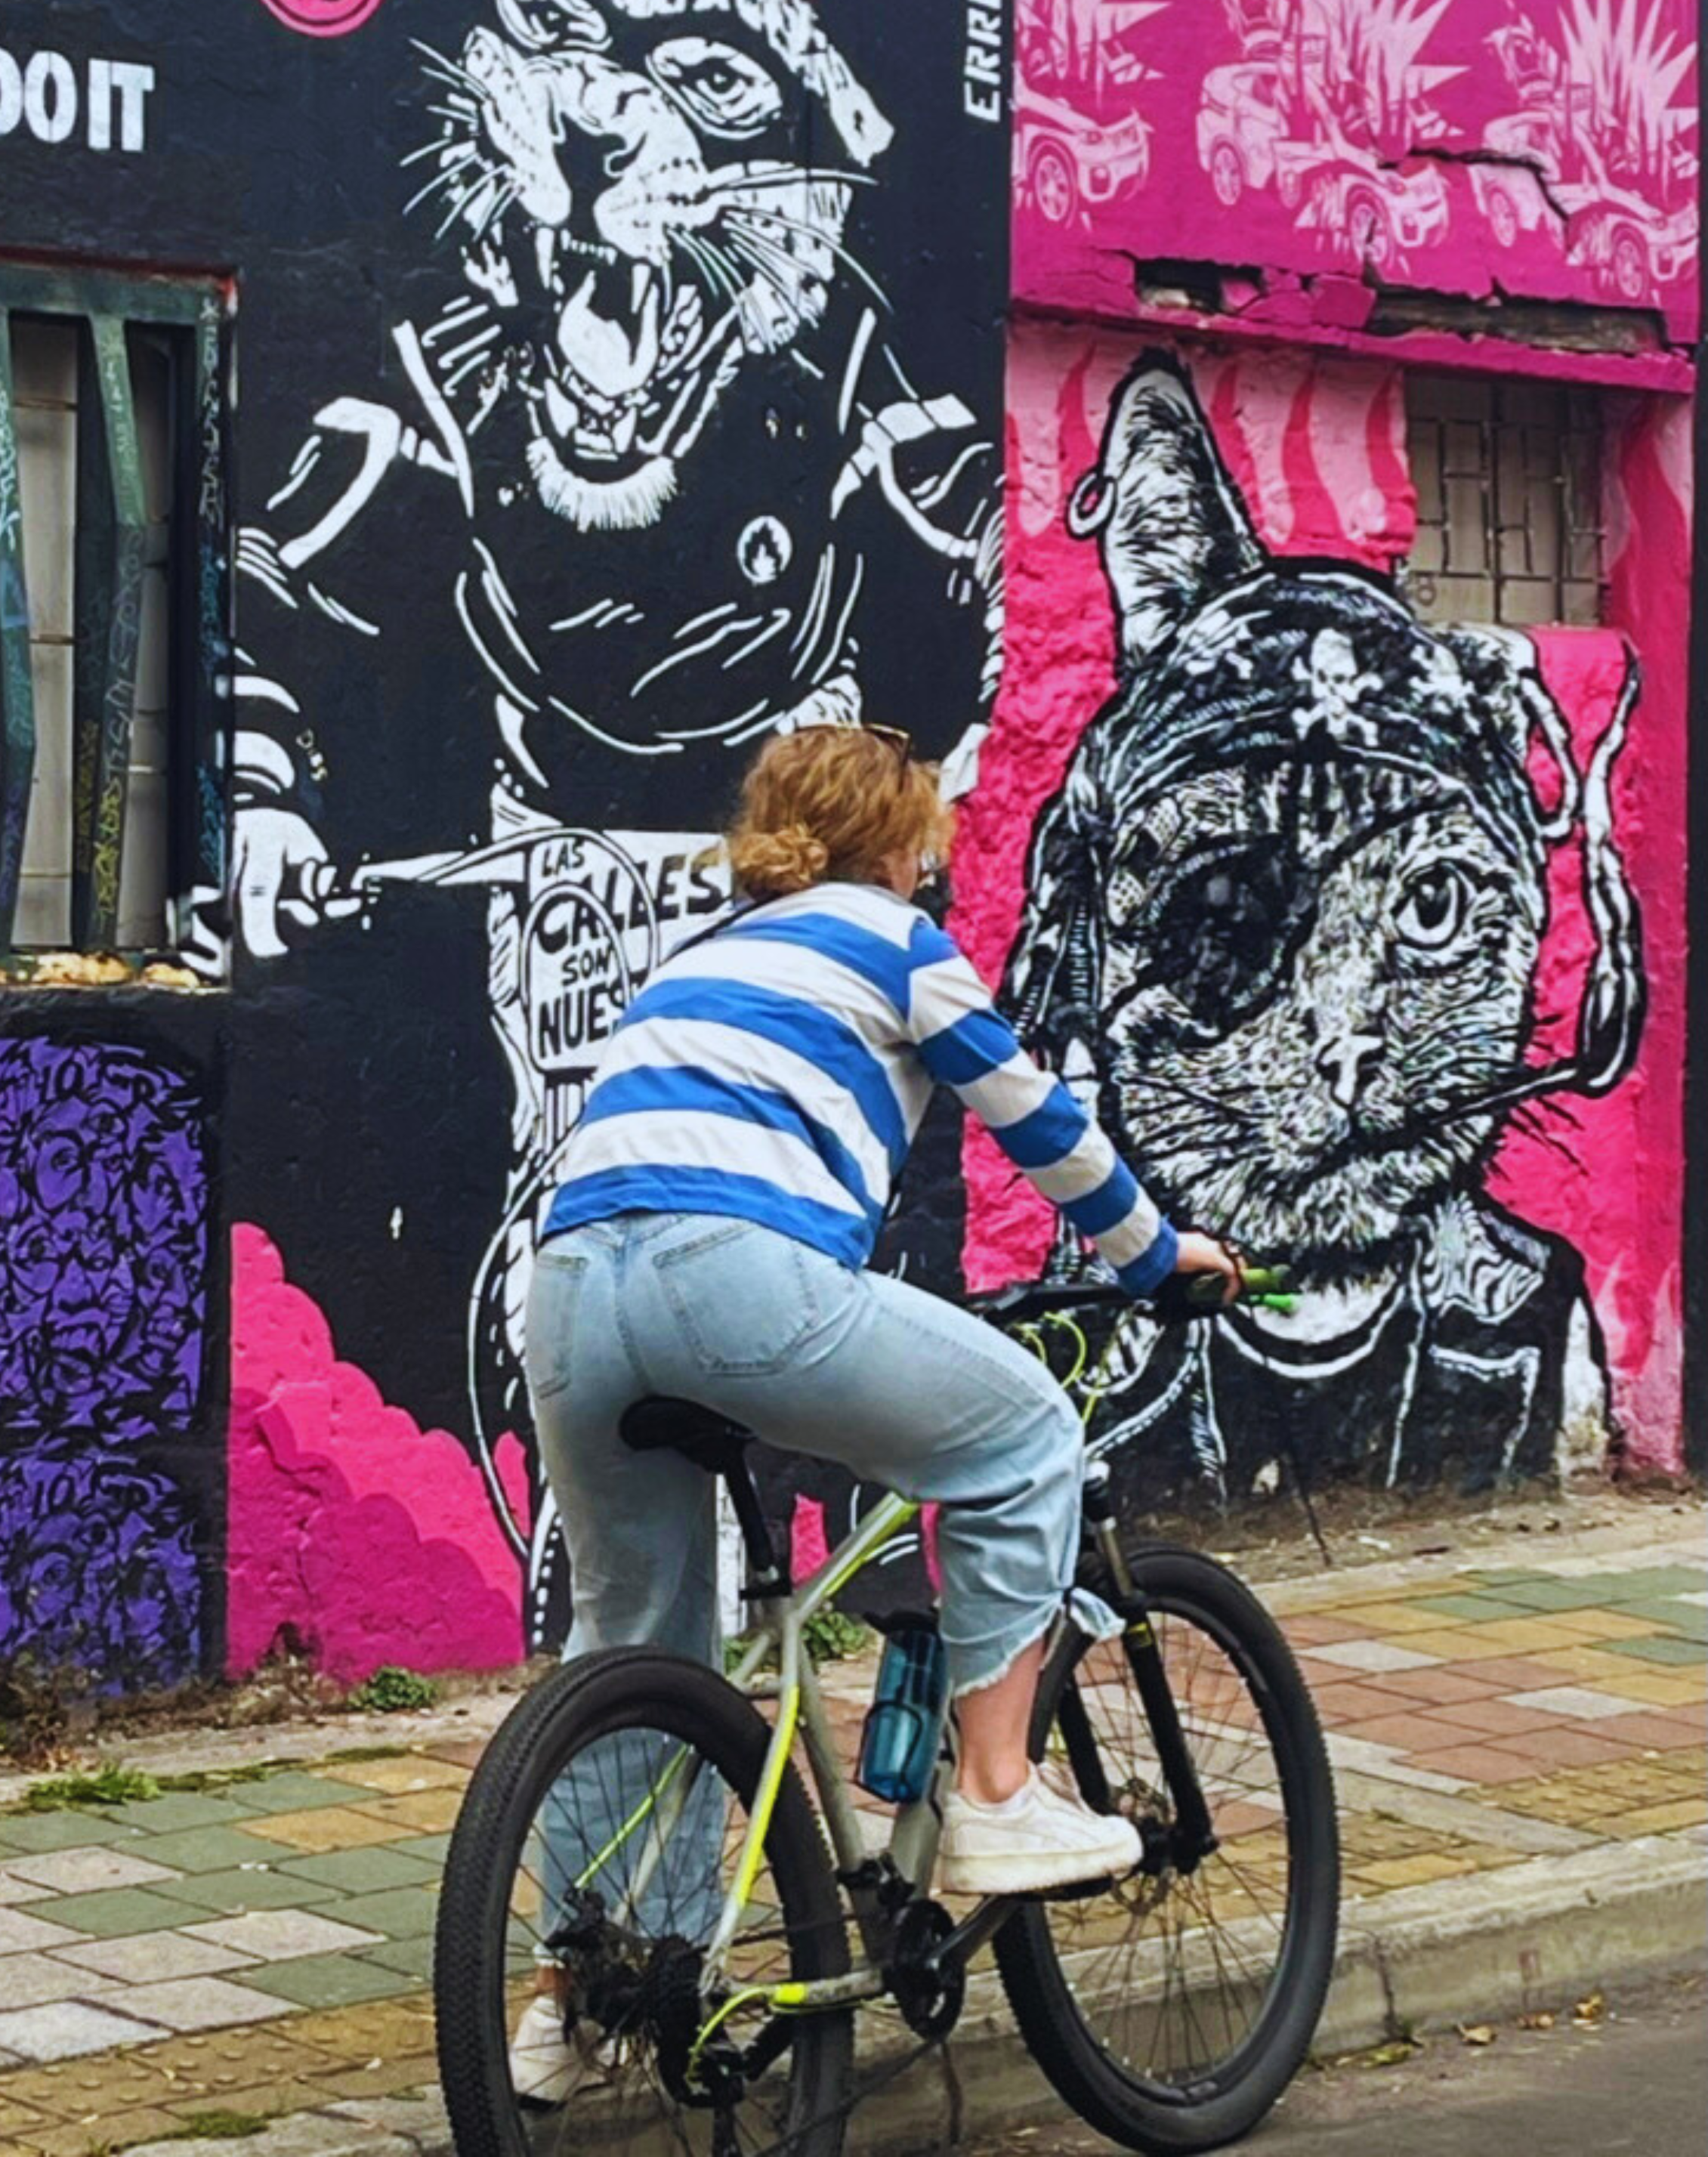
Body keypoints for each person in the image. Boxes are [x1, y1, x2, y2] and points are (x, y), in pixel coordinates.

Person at [513, 724, 1240, 2099]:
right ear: (900, 844)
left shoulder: (698, 962)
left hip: (570, 1296)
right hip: (733, 1277)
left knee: (636, 1645)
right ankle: (994, 1792)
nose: (930, 869)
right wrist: (1156, 1256)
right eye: (926, 848)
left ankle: (587, 1994)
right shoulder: (897, 942)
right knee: (1021, 1434)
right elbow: (1036, 1118)